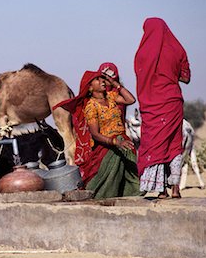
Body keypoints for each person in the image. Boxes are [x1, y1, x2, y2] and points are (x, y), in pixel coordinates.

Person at [53, 70, 141, 199]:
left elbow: (131, 100)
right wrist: (115, 142)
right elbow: (95, 134)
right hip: (107, 147)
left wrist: (115, 84)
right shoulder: (91, 106)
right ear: (89, 87)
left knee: (130, 175)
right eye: (97, 80)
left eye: (103, 79)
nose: (102, 82)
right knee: (106, 181)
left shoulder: (111, 97)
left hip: (123, 142)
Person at [134, 17, 191, 199]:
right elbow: (186, 78)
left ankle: (161, 190)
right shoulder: (177, 49)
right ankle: (175, 187)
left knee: (155, 144)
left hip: (152, 104)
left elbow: (141, 77)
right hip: (173, 103)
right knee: (174, 144)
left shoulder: (142, 53)